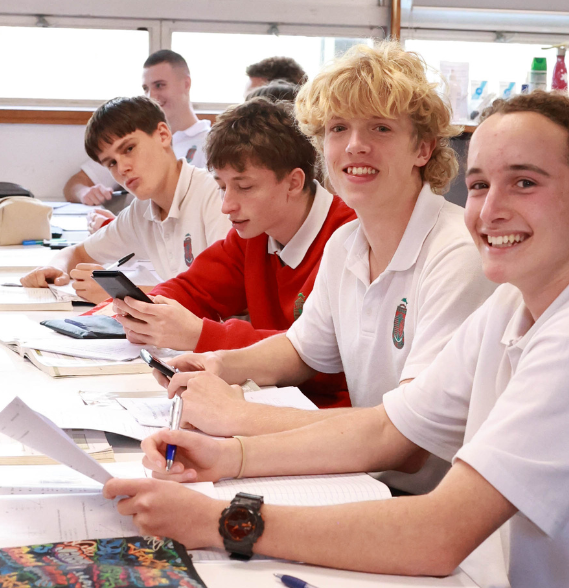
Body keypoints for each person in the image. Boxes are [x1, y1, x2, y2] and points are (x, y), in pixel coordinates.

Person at [105, 92, 569, 588]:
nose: (490, 209)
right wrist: (229, 457)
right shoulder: (516, 300)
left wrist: (223, 522)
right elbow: (389, 429)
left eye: (525, 183)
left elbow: (436, 535)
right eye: (479, 185)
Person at [151, 42, 495, 495]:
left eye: (380, 128)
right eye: (338, 128)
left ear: (424, 149)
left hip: (428, 501)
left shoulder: (456, 253)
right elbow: (301, 351)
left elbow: (411, 445)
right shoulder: (346, 243)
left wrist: (239, 419)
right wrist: (217, 364)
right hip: (362, 477)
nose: (355, 145)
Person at [112, 97, 356, 408]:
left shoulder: (348, 236)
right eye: (221, 187)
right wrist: (149, 312)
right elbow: (192, 288)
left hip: (330, 416)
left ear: (294, 182)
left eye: (244, 187)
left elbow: (319, 360)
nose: (227, 205)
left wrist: (200, 335)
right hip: (270, 400)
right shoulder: (254, 232)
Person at [20, 96, 230, 304]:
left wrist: (123, 293)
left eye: (129, 149)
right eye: (111, 163)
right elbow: (77, 253)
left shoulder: (215, 195)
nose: (122, 169)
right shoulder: (140, 211)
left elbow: (218, 296)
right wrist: (55, 269)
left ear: (163, 135)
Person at [67, 50, 211, 231]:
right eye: (146, 89)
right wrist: (86, 194)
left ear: (186, 84)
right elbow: (75, 183)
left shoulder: (211, 144)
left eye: (159, 85)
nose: (152, 95)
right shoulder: (131, 136)